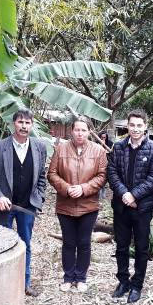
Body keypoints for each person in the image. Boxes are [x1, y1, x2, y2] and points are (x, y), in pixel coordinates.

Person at [0, 109, 47, 297]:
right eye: (20, 122)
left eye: (27, 123)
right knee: (0, 245)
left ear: (32, 125)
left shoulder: (39, 147)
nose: (23, 126)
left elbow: (41, 177)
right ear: (13, 124)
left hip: (27, 207)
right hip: (4, 207)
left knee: (25, 244)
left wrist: (39, 198)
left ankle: (24, 283)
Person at [107, 109, 153, 303]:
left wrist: (134, 195)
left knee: (141, 248)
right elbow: (112, 172)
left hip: (142, 207)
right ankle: (123, 281)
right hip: (121, 206)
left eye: (139, 125)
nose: (136, 129)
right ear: (127, 126)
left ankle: (137, 285)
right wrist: (124, 193)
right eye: (132, 125)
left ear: (145, 126)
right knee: (121, 246)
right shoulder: (118, 147)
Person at [48, 116, 107, 293]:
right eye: (77, 130)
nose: (80, 133)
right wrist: (66, 188)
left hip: (88, 205)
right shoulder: (61, 149)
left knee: (84, 243)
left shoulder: (98, 151)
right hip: (65, 205)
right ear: (71, 131)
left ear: (89, 131)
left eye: (83, 130)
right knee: (68, 242)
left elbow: (102, 176)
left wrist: (83, 188)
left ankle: (81, 277)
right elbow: (52, 174)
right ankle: (68, 277)